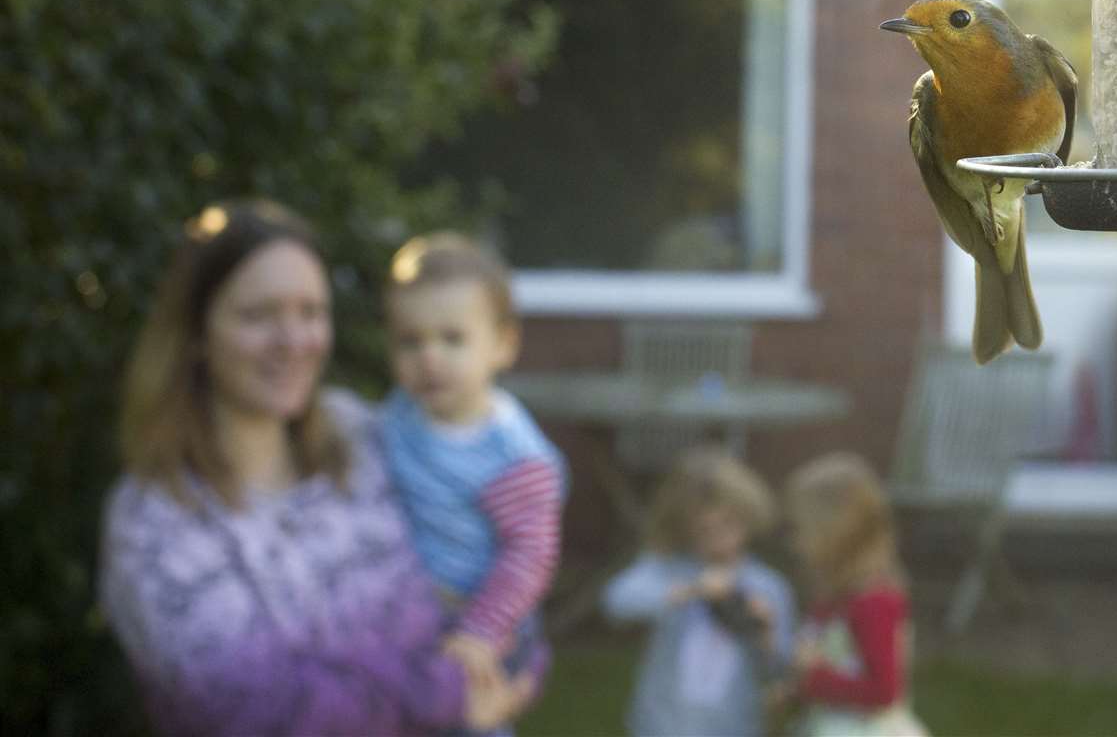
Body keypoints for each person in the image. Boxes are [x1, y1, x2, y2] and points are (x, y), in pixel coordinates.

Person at [99, 200, 534, 736]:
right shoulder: (155, 521)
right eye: (258, 316)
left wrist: (506, 646)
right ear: (196, 334)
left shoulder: (365, 439)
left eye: (310, 313)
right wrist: (448, 687)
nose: (293, 342)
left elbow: (494, 570)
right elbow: (249, 713)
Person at [378, 231, 568, 737]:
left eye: (452, 339)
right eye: (410, 341)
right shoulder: (399, 416)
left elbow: (531, 554)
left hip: (484, 618)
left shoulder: (511, 453)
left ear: (502, 344)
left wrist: (481, 632)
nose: (430, 358)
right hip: (417, 617)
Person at [601, 445, 795, 737]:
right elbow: (616, 602)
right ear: (687, 527)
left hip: (733, 725)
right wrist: (690, 591)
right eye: (706, 530)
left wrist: (764, 630)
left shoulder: (768, 586)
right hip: (661, 723)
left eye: (729, 524)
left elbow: (781, 669)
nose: (720, 539)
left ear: (748, 517)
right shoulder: (670, 568)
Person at [780, 452, 927, 737]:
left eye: (799, 530)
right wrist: (797, 688)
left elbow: (884, 691)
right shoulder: (833, 599)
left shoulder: (874, 602)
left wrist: (812, 679)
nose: (793, 542)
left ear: (836, 534)